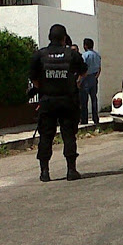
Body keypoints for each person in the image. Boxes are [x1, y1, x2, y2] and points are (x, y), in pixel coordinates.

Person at [29, 24, 88, 182]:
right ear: (64, 38)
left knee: (46, 137)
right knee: (69, 135)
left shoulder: (40, 55)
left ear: (50, 38)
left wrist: (43, 89)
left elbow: (33, 78)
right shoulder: (72, 54)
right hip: (68, 101)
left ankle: (44, 172)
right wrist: (76, 83)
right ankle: (71, 170)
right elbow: (84, 71)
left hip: (47, 101)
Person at [80, 38, 101, 125]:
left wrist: (80, 80)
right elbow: (99, 68)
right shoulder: (97, 55)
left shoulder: (85, 55)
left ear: (85, 46)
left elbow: (83, 68)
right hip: (94, 77)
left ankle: (84, 119)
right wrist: (96, 77)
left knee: (84, 100)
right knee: (94, 99)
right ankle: (95, 118)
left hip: (86, 78)